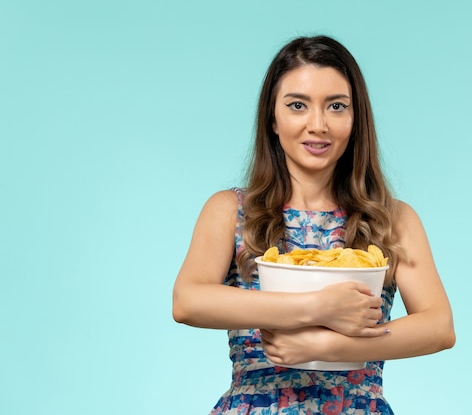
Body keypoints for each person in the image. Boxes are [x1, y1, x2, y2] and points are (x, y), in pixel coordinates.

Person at [172, 35, 455, 414]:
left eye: (336, 106)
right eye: (297, 106)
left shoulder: (393, 219)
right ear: (272, 118)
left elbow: (439, 326)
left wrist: (332, 347)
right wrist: (318, 308)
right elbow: (187, 301)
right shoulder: (231, 211)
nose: (318, 124)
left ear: (356, 120)